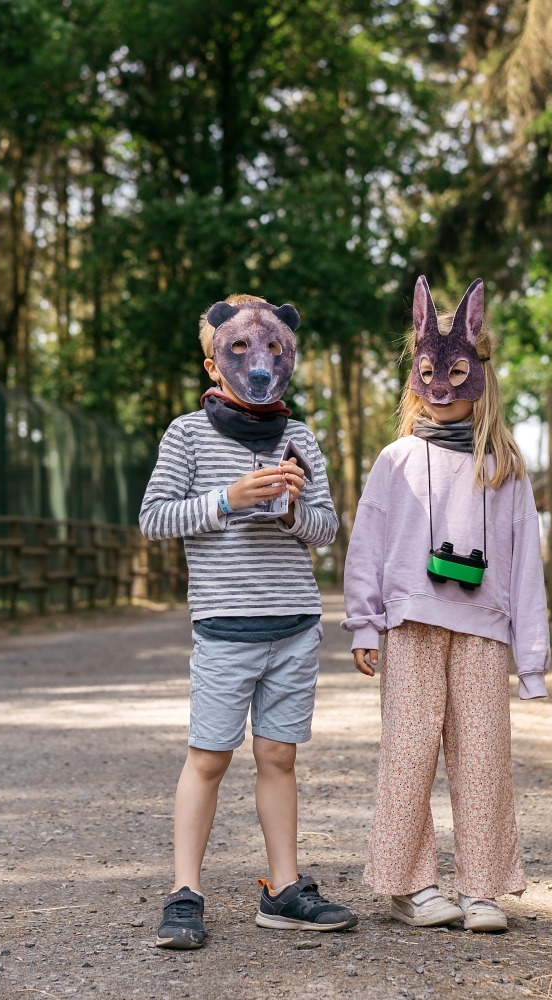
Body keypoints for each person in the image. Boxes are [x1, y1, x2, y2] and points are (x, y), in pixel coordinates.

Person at [139, 294, 357, 949]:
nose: (257, 362)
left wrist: (292, 512)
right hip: (225, 628)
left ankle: (283, 888)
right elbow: (153, 519)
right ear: (212, 366)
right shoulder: (187, 434)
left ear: (289, 359)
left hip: (294, 625)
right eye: (238, 351)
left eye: (272, 351)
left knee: (278, 757)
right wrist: (225, 502)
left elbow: (325, 529)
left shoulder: (301, 438)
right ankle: (185, 892)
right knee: (208, 760)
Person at [342, 275, 549, 933]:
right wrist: (363, 623)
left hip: (482, 632)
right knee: (407, 753)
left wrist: (532, 658)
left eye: (455, 372)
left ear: (477, 373)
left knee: (483, 754)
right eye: (429, 372)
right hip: (410, 627)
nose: (440, 387)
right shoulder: (396, 460)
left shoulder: (504, 470)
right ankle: (410, 885)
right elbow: (367, 542)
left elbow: (525, 567)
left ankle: (483, 888)